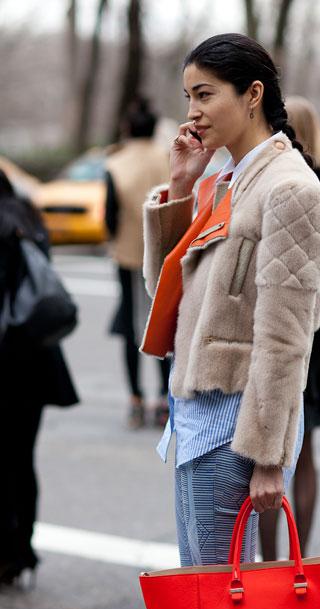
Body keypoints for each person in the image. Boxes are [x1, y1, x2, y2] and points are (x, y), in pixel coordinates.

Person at [141, 34, 320, 609]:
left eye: (204, 95)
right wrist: (184, 188)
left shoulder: (289, 191)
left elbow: (288, 343)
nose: (191, 113)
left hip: (233, 429)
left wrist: (266, 456)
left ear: (252, 93)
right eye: (187, 96)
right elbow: (173, 301)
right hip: (198, 420)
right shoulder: (233, 179)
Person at [259, 96, 320, 560]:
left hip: (283, 336)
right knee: (306, 453)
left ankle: (271, 561)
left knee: (266, 452)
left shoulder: (280, 185)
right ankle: (303, 557)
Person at [0, 170, 79, 587]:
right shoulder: (28, 217)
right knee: (22, 460)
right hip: (36, 360)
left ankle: (7, 551)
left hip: (6, 362)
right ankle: (22, 548)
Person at [105, 96, 171, 429]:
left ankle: (135, 398)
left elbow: (109, 217)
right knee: (162, 324)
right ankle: (163, 397)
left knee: (132, 326)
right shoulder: (168, 159)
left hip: (129, 255)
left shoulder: (116, 164)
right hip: (166, 255)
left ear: (127, 127)